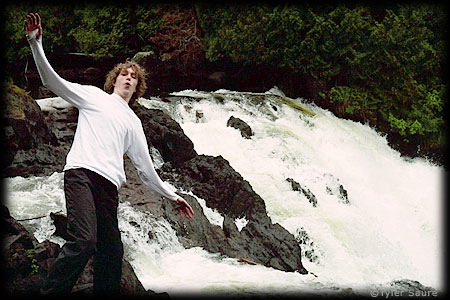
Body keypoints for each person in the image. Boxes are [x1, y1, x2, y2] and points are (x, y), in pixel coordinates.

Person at [24, 13, 194, 295]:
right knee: (84, 242)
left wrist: (173, 195)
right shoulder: (93, 97)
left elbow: (145, 170)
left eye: (134, 77)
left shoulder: (133, 122)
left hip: (108, 187)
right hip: (80, 175)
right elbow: (51, 82)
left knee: (112, 253)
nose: (129, 78)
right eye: (124, 74)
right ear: (114, 80)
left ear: (137, 87)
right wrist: (35, 44)